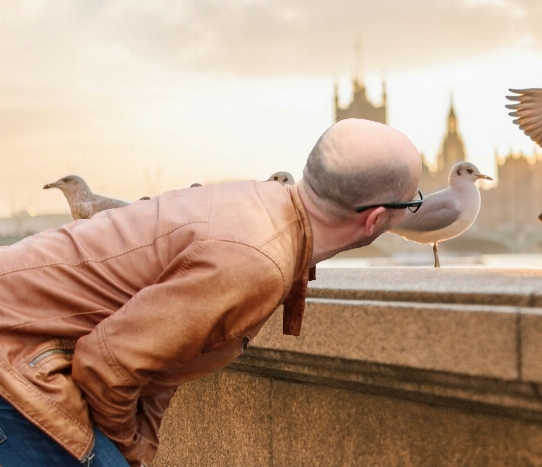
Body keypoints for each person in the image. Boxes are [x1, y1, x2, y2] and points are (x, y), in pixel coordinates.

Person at [0, 119, 423, 467]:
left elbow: (164, 357)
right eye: (414, 203)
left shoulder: (258, 209)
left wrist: (139, 448)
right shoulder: (256, 261)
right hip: (15, 359)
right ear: (376, 220)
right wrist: (128, 451)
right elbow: (106, 363)